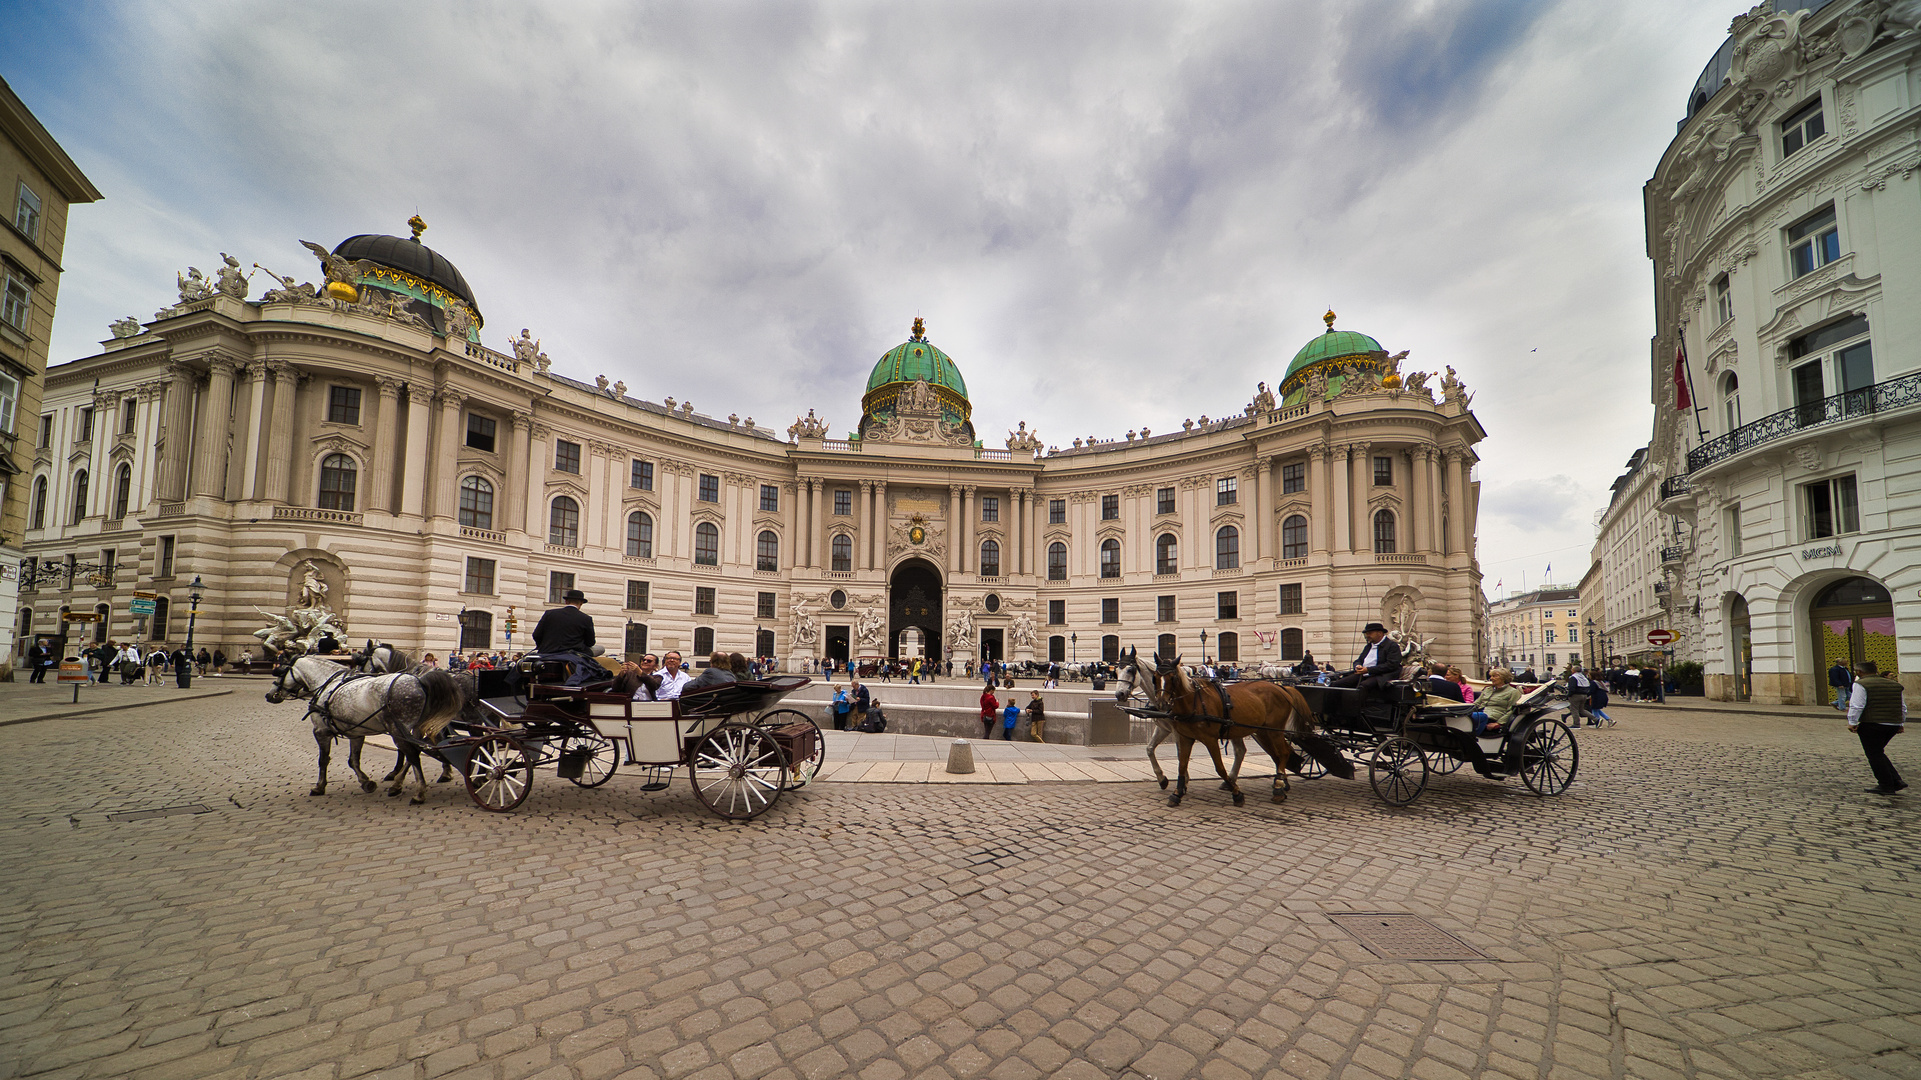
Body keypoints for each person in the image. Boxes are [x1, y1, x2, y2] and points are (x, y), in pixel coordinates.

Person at [1846, 661, 1907, 794]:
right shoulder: (1894, 684)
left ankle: (1886, 785)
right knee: (1878, 752)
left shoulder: (1861, 684)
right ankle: (1896, 780)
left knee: (1874, 755)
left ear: (1859, 672)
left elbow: (1857, 705)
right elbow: (1903, 706)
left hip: (1872, 724)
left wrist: (1852, 722)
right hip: (1892, 724)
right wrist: (1901, 723)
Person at [1332, 622, 1402, 699]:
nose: (1367, 636)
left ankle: (1358, 709)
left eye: (1370, 633)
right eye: (1366, 634)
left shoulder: (1392, 646)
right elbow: (1359, 660)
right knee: (1337, 684)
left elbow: (1392, 664)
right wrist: (1357, 666)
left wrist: (1368, 670)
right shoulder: (1368, 646)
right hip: (1364, 674)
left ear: (1379, 633)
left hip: (1381, 675)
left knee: (1363, 686)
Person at [532, 589, 596, 660]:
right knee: (600, 649)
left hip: (547, 652)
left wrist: (544, 646)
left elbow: (536, 635)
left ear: (566, 601)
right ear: (581, 603)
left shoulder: (549, 614)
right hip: (574, 654)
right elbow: (590, 642)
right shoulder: (586, 618)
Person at [1474, 668, 1523, 737]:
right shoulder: (1487, 689)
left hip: (1493, 716)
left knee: (1480, 716)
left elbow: (1512, 710)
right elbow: (1476, 703)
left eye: (1494, 676)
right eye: (1491, 676)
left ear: (1504, 678)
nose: (1491, 678)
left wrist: (1499, 723)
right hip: (1480, 713)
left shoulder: (1513, 692)